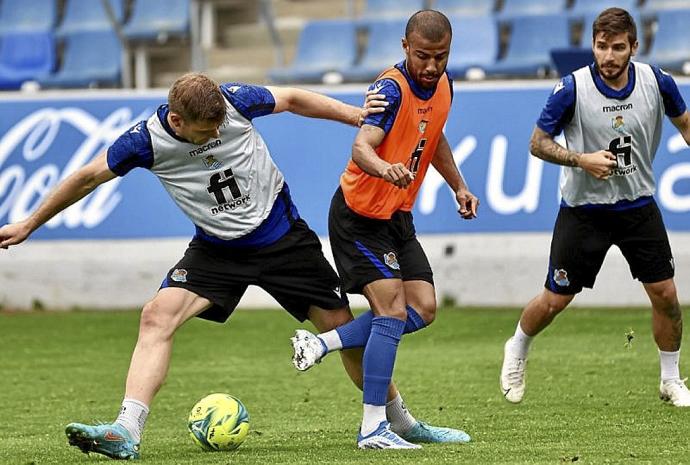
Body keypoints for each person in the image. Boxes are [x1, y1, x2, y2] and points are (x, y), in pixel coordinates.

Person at [0, 73, 447, 459]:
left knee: (342, 331)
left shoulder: (234, 100)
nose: (215, 136)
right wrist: (30, 223)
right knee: (156, 316)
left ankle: (401, 423)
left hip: (284, 240)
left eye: (219, 128)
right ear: (177, 121)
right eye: (204, 131)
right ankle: (126, 431)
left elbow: (291, 98)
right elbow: (86, 177)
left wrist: (355, 115)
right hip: (217, 251)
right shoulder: (144, 141)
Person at [291, 10, 479, 449]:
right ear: (404, 47)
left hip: (396, 217)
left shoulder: (445, 85)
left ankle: (324, 344)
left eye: (441, 56)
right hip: (359, 217)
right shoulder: (390, 90)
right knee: (392, 312)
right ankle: (374, 428)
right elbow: (361, 147)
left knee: (424, 308)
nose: (432, 66)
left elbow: (433, 138)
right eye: (423, 56)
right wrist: (385, 168)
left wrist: (459, 186)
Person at [499, 8, 690, 407]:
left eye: (617, 47)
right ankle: (517, 347)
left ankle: (671, 379)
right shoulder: (572, 89)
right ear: (593, 45)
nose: (608, 56)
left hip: (637, 207)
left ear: (633, 47)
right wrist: (581, 159)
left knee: (667, 296)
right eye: (601, 46)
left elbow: (685, 124)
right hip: (584, 210)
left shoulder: (658, 82)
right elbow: (538, 143)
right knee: (554, 300)